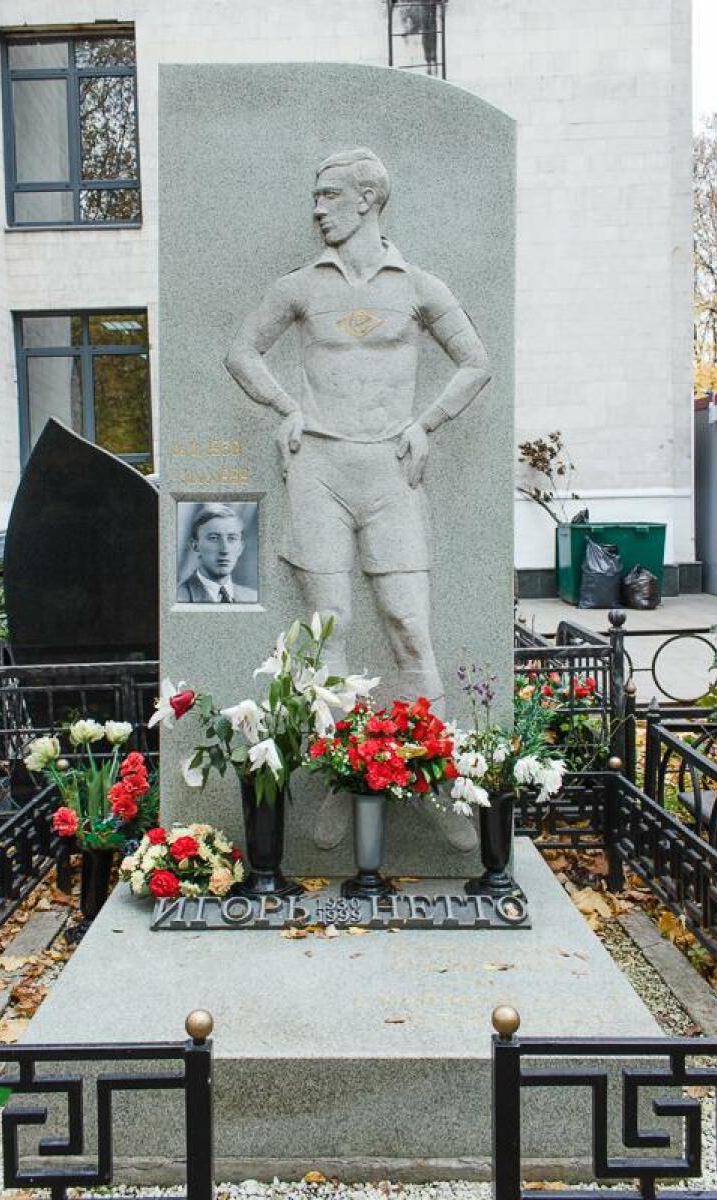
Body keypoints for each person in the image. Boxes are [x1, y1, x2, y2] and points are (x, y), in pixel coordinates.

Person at [225, 147, 491, 847]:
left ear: (368, 199)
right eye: (316, 197)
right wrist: (286, 406)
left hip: (390, 471)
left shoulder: (419, 287)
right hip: (318, 468)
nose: (317, 209)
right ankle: (348, 780)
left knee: (409, 625)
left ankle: (427, 780)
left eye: (330, 195)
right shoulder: (299, 286)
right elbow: (241, 352)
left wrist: (427, 423)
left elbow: (475, 362)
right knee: (329, 629)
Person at [177, 503, 258, 603]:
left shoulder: (253, 598)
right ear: (195, 546)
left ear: (240, 548)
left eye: (232, 538)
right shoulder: (178, 598)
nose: (225, 550)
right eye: (214, 538)